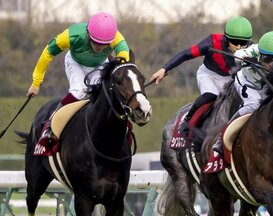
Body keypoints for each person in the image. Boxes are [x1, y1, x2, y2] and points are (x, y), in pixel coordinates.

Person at [27, 13, 130, 149]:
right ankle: (49, 126)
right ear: (88, 33)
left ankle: (125, 128)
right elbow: (48, 53)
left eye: (103, 44)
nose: (99, 47)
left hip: (100, 64)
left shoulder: (118, 39)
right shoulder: (72, 35)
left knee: (104, 94)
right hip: (75, 62)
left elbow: (123, 65)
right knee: (79, 91)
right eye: (95, 42)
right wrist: (36, 83)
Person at [150, 16, 254, 132]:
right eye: (235, 42)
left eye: (243, 43)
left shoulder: (250, 49)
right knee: (211, 95)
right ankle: (187, 121)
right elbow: (186, 54)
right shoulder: (213, 42)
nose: (239, 47)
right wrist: (164, 69)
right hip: (209, 75)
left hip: (230, 78)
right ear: (226, 39)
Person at [229, 31, 273, 118]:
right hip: (247, 81)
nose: (271, 64)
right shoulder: (255, 49)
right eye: (267, 59)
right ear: (260, 53)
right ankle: (228, 126)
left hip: (265, 87)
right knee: (254, 104)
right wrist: (245, 58)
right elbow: (238, 53)